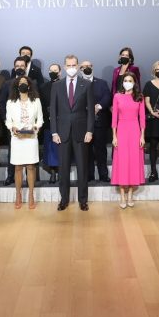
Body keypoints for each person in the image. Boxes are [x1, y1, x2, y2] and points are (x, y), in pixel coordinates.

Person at [51, 54, 95, 211]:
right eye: (68, 65)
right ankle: (64, 200)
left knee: (82, 168)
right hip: (62, 133)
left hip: (81, 132)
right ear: (64, 67)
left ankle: (83, 200)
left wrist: (90, 130)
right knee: (63, 169)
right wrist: (54, 132)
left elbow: (91, 111)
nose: (71, 68)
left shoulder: (86, 85)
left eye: (73, 65)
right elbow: (53, 110)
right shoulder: (57, 86)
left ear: (78, 66)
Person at [6, 75, 44, 209]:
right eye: (20, 82)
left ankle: (31, 195)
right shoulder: (11, 102)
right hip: (17, 138)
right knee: (17, 167)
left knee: (31, 167)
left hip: (31, 138)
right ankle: (18, 194)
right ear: (17, 86)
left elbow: (40, 119)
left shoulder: (36, 101)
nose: (22, 84)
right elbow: (8, 120)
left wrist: (36, 127)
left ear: (29, 85)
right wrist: (12, 128)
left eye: (25, 82)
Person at [111, 73, 146, 208]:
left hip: (135, 131)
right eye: (125, 80)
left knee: (133, 162)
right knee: (122, 162)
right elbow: (114, 117)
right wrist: (114, 136)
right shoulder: (117, 96)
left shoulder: (139, 97)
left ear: (134, 82)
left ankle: (130, 194)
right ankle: (122, 195)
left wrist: (142, 136)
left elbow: (142, 118)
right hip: (121, 131)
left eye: (130, 80)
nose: (127, 82)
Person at [80, 60, 112, 182]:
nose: (87, 68)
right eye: (84, 67)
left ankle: (103, 174)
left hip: (100, 122)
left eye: (89, 66)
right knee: (86, 150)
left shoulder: (102, 83)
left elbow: (107, 97)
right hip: (83, 122)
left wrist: (98, 106)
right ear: (80, 69)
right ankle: (89, 175)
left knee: (101, 149)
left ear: (92, 67)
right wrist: (86, 108)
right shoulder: (77, 83)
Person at [0, 56, 27, 185]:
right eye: (17, 66)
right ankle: (11, 176)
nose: (20, 68)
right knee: (13, 151)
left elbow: (36, 102)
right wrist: (6, 120)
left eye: (22, 66)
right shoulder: (7, 84)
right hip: (13, 125)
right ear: (14, 68)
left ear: (25, 67)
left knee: (28, 151)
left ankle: (29, 177)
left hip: (28, 124)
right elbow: (2, 103)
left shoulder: (32, 83)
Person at [39, 64, 61, 183]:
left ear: (60, 72)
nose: (53, 72)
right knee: (51, 149)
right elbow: (40, 105)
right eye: (51, 70)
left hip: (63, 122)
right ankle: (53, 173)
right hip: (48, 123)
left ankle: (62, 172)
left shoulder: (65, 85)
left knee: (62, 149)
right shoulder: (43, 87)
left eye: (55, 70)